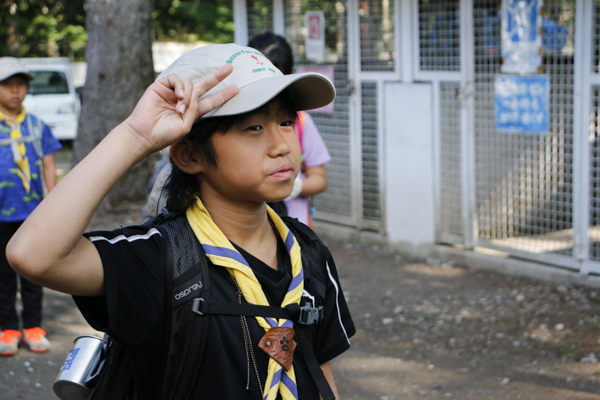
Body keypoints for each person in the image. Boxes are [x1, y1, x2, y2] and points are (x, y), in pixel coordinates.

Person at [7, 44, 354, 399]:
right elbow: (33, 254)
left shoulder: (309, 253)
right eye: (253, 126)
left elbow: (319, 372)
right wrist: (136, 137)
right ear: (189, 155)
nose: (283, 145)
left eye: (285, 122)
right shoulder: (159, 259)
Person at [0, 57, 61, 356]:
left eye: (21, 84)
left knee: (34, 271)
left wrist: (54, 203)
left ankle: (34, 327)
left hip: (33, 213)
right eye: (8, 84)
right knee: (3, 273)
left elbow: (49, 164)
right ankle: (8, 329)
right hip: (1, 214)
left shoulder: (37, 125)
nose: (15, 90)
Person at [249, 32, 331, 227]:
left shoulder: (302, 122)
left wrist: (298, 186)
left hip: (295, 227)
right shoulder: (233, 124)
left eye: (286, 124)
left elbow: (319, 179)